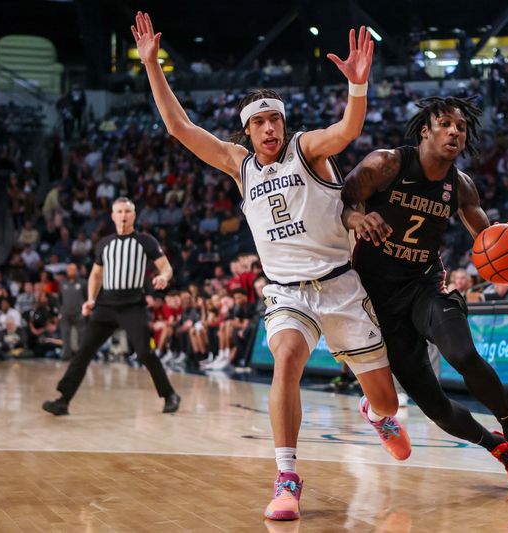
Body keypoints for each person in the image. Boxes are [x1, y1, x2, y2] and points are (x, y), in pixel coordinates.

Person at [131, 12, 408, 522]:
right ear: (247, 129)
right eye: (259, 122)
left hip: (341, 287)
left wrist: (358, 87)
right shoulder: (239, 165)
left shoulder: (307, 149)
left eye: (274, 120)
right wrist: (152, 65)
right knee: (285, 360)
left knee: (388, 401)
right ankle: (286, 476)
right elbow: (179, 127)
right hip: (287, 291)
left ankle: (376, 414)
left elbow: (347, 130)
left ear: (283, 124)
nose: (268, 129)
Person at [341, 95, 508, 491]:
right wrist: (358, 216)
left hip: (424, 284)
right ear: (426, 130)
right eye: (446, 124)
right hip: (377, 300)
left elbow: (488, 237)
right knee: (434, 407)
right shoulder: (386, 163)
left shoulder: (460, 185)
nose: (455, 132)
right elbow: (344, 200)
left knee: (462, 353)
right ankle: (501, 451)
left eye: (461, 127)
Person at [42, 197, 180, 416]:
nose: (123, 215)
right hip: (105, 306)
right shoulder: (104, 243)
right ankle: (63, 400)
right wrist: (90, 299)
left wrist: (163, 277)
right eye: (119, 211)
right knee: (83, 353)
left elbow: (166, 268)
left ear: (134, 215)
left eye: (127, 211)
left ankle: (170, 394)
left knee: (145, 353)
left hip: (133, 305)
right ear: (113, 216)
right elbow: (96, 274)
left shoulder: (146, 240)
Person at [58, 263, 87, 360]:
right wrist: (60, 311)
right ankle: (66, 355)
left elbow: (86, 297)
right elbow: (59, 299)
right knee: (65, 334)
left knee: (81, 335)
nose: (71, 271)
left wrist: (85, 310)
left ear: (77, 271)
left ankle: (81, 356)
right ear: (67, 271)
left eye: (73, 269)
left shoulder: (83, 282)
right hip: (65, 313)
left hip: (79, 313)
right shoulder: (62, 283)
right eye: (69, 269)